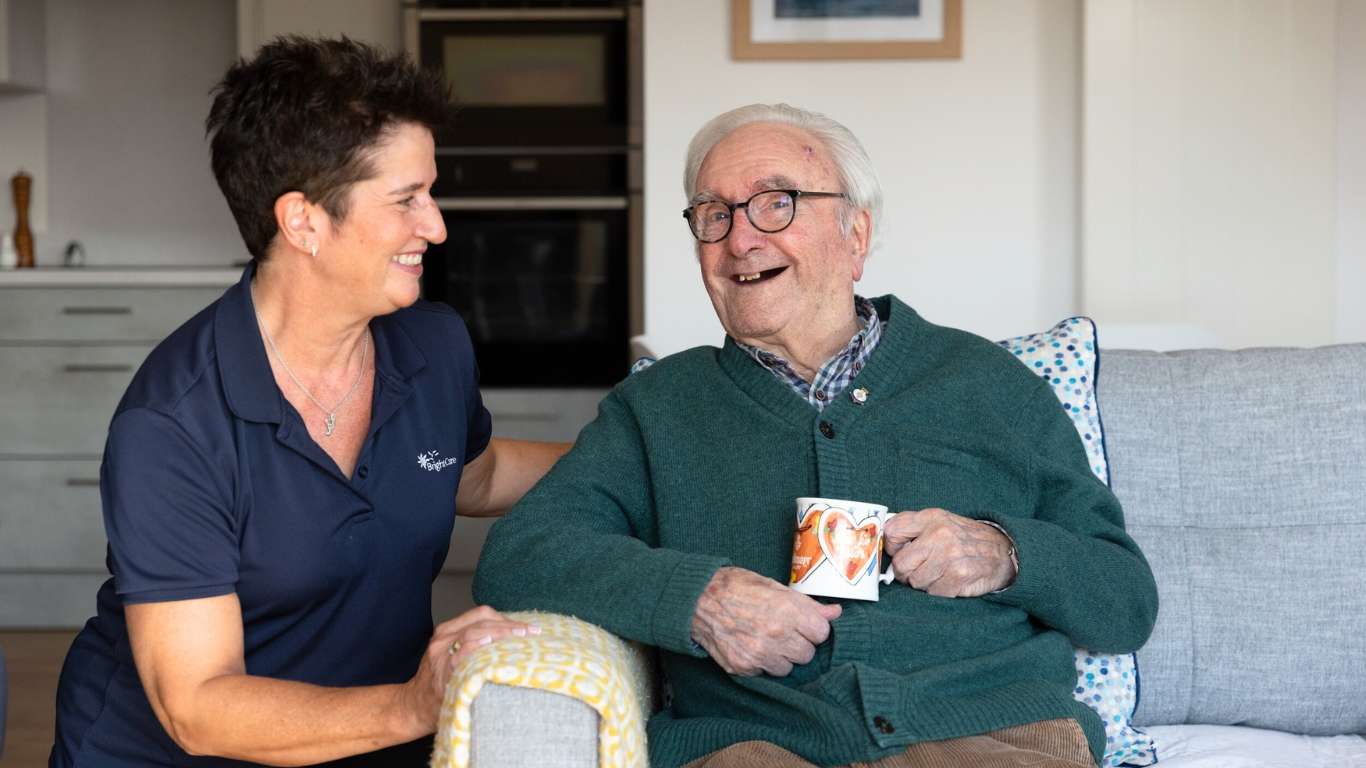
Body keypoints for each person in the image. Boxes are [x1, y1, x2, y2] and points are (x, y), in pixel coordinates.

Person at [474, 103, 1159, 768]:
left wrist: (1006, 552)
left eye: (777, 203)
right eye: (714, 215)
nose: (740, 239)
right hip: (754, 746)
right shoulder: (657, 407)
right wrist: (697, 598)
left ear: (855, 234)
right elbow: (521, 556)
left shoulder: (988, 382)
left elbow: (1125, 601)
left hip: (993, 738)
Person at [50, 37, 568, 767]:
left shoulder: (432, 346)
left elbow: (472, 474)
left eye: (432, 190)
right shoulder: (172, 424)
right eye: (405, 200)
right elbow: (196, 705)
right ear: (304, 223)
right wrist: (416, 702)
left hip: (364, 742)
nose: (437, 225)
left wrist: (634, 457)